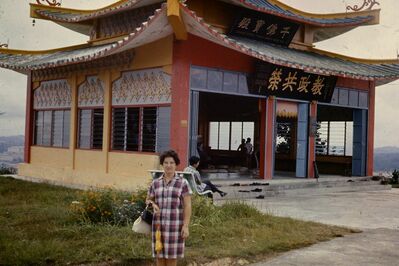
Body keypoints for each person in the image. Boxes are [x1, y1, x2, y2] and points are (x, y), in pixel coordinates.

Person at [146, 150, 192, 266]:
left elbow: (187, 206)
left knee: (172, 260)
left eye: (171, 162)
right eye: (166, 162)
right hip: (158, 226)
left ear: (176, 164)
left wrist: (185, 226)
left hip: (175, 226)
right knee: (159, 258)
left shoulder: (182, 183)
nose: (168, 165)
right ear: (162, 164)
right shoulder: (155, 183)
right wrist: (153, 204)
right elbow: (148, 200)